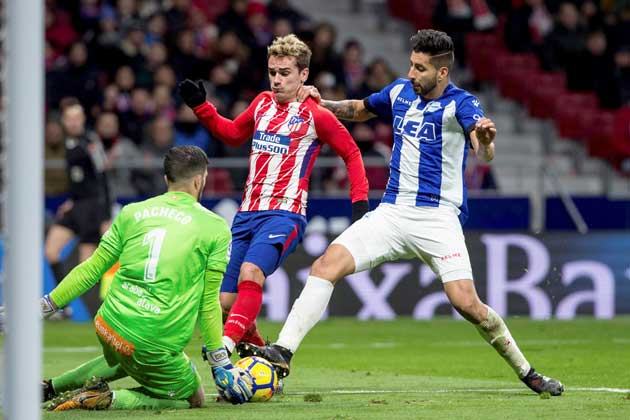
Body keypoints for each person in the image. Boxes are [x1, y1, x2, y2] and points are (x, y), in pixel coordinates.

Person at [239, 29, 564, 397]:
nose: (411, 73)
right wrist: (323, 103)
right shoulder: (399, 91)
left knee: (468, 305)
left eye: (420, 68)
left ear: (442, 73)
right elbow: (360, 109)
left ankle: (527, 372)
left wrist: (487, 144)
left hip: (437, 218)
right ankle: (282, 352)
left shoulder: (463, 104)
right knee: (326, 266)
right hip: (391, 212)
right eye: (411, 65)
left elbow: (482, 148)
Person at [177, 34, 369, 357]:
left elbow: (351, 153)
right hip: (246, 214)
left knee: (251, 274)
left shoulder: (316, 115)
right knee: (224, 303)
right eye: (272, 72)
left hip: (285, 213)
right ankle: (261, 354)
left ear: (303, 75)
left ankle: (224, 346)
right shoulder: (262, 103)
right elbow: (233, 134)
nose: (277, 80)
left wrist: (360, 204)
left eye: (285, 73)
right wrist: (202, 107)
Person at [41, 145, 252, 411]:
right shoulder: (215, 228)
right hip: (152, 340)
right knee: (192, 396)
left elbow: (91, 268)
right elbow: (208, 302)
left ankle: (49, 388)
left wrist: (46, 304)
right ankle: (106, 399)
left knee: (128, 352)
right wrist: (219, 361)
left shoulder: (131, 212)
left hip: (108, 325)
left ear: (166, 180)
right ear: (200, 179)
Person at [44, 99, 112, 288]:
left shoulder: (91, 143)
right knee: (50, 251)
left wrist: (106, 216)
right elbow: (78, 180)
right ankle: (63, 307)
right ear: (64, 122)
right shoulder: (67, 143)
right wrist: (71, 200)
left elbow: (103, 178)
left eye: (77, 118)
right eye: (69, 118)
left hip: (92, 208)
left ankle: (113, 307)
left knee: (87, 267)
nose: (73, 122)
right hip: (76, 206)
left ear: (83, 119)